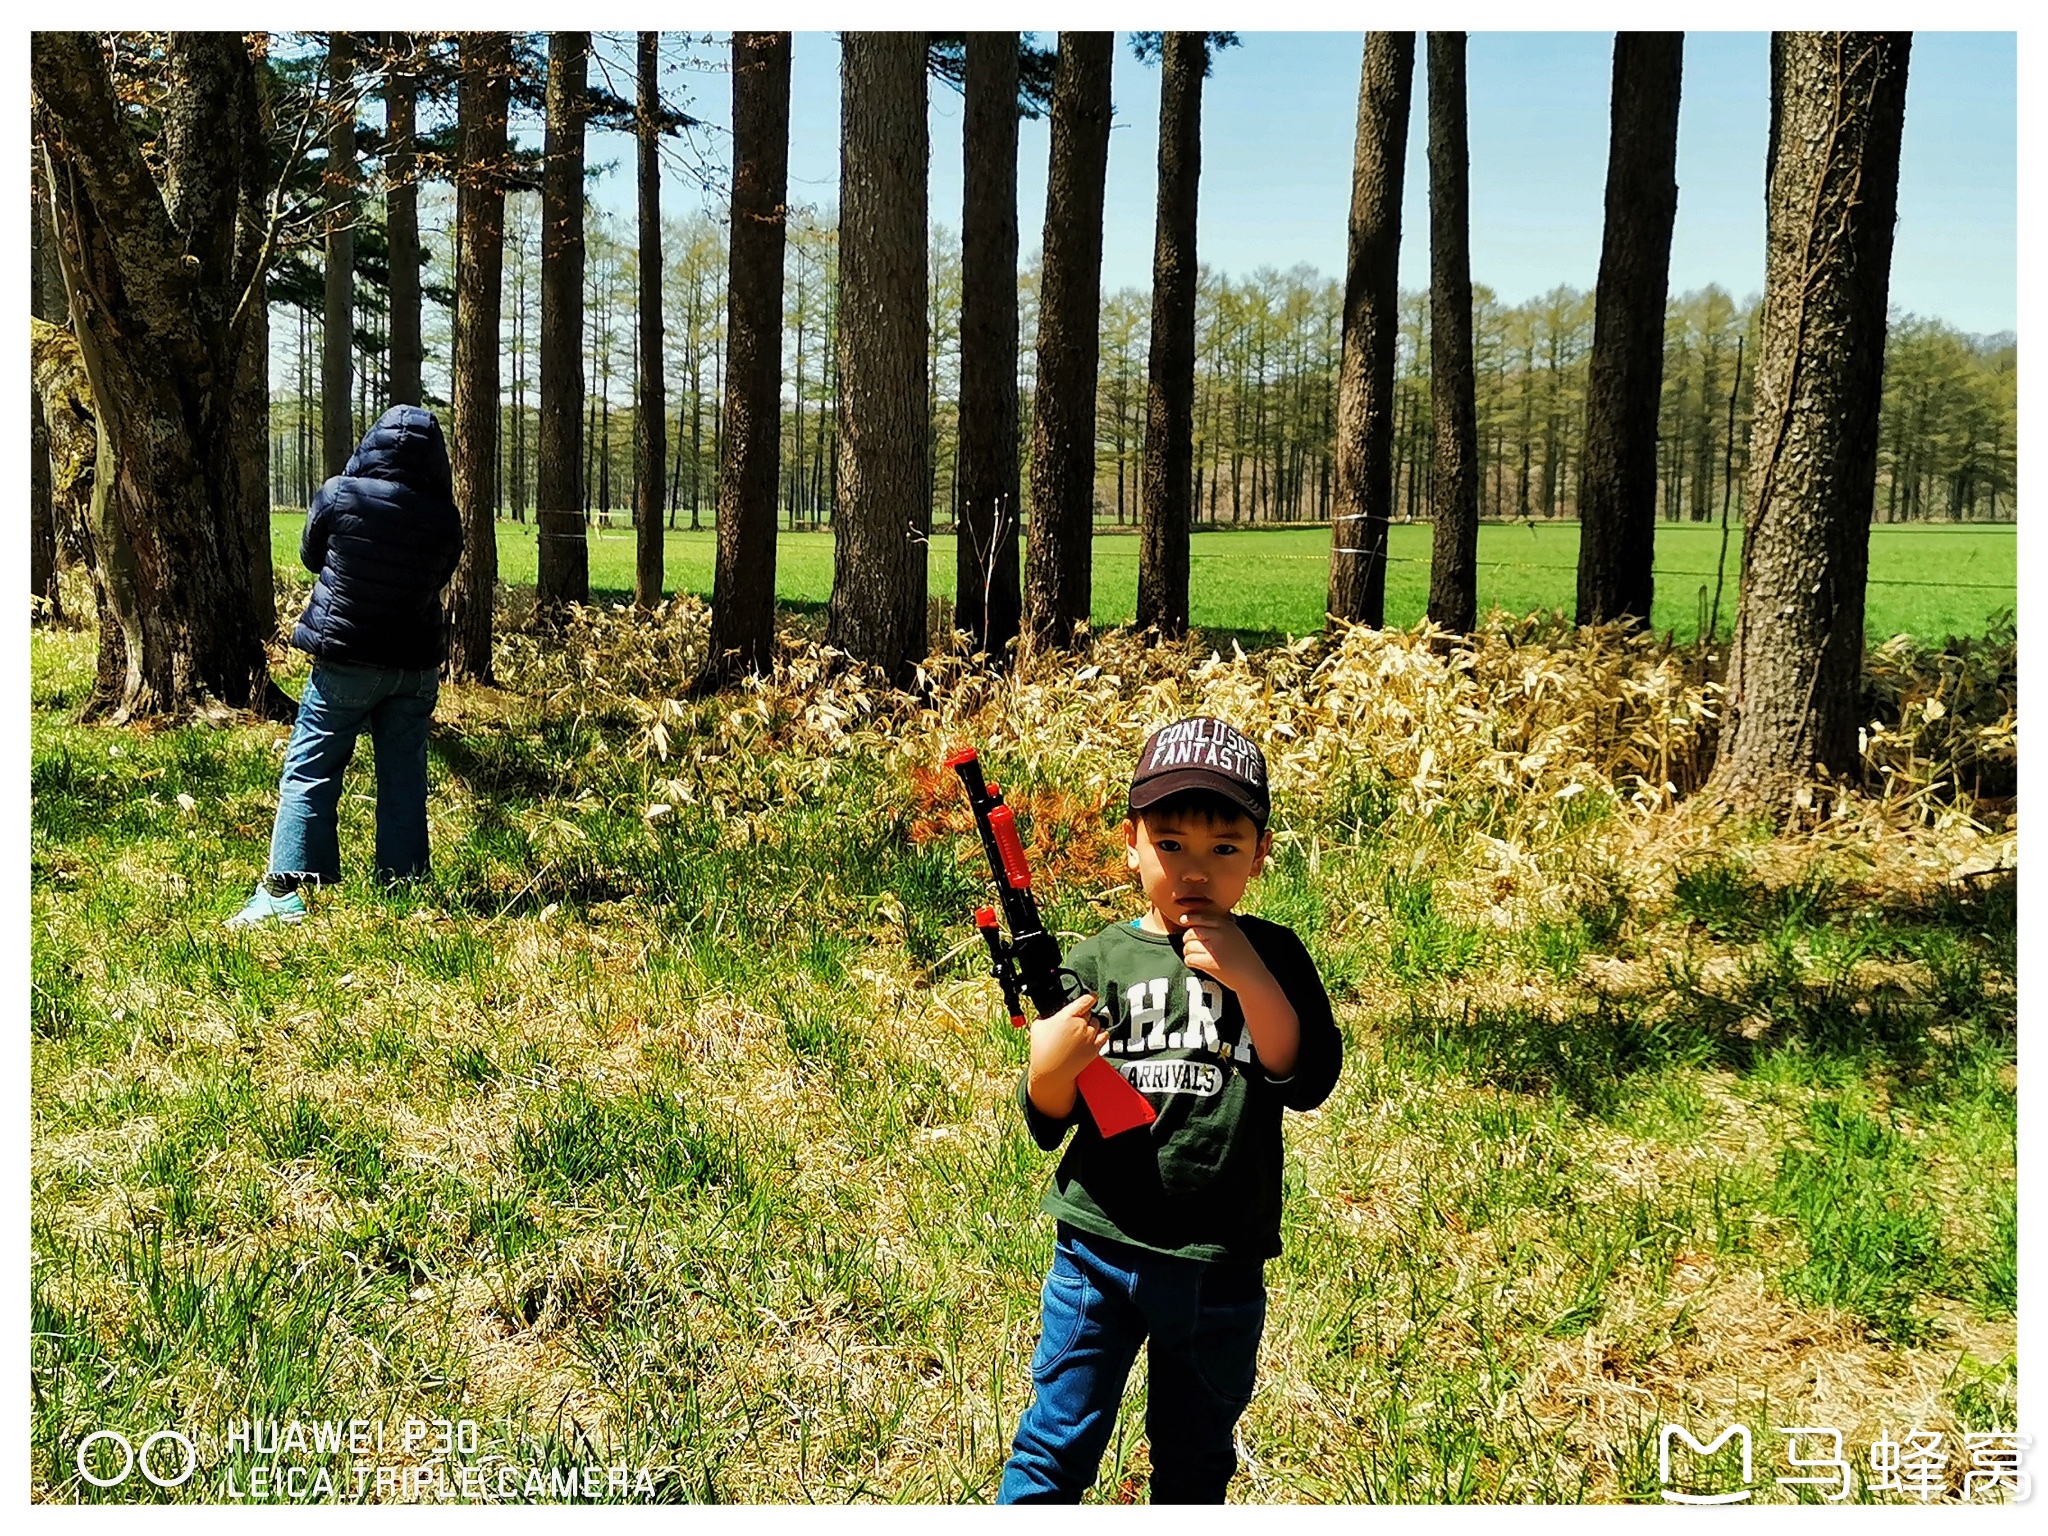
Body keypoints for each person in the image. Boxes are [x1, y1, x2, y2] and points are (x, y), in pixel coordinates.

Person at [997, 716, 1343, 1503]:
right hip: (1099, 1252)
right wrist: (1051, 1064)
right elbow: (1048, 1115)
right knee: (1055, 1443)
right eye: (1171, 844)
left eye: (1224, 848)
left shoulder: (1277, 954)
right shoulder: (1099, 959)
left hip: (1221, 1262)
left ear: (1259, 855)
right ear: (1132, 843)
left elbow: (1304, 1076)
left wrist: (1248, 973)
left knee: (1195, 1458)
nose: (1196, 870)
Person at [228, 405, 463, 927]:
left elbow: (313, 555)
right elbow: (441, 574)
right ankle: (403, 883)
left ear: (372, 443)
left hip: (347, 660)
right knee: (404, 775)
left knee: (311, 767)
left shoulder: (339, 493)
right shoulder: (445, 516)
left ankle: (284, 890)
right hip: (413, 666)